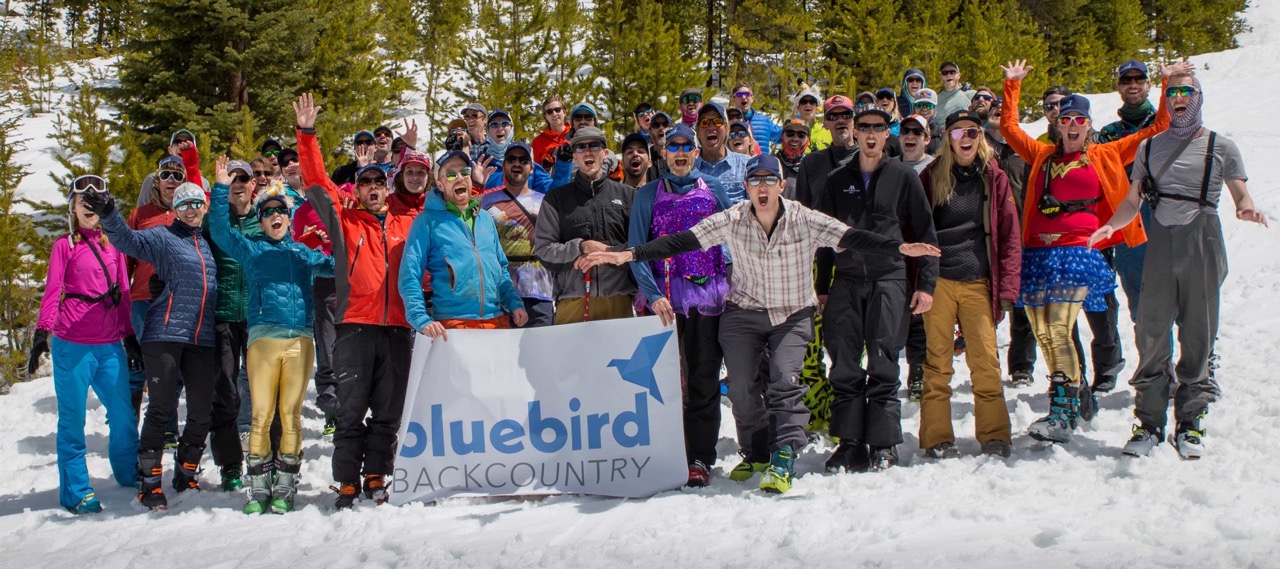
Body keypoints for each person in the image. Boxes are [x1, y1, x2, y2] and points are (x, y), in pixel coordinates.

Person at [585, 154, 939, 493]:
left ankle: (784, 453)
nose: (763, 187)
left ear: (782, 185)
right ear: (747, 186)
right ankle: (756, 452)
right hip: (745, 311)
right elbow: (682, 241)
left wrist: (900, 249)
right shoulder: (734, 218)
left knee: (784, 379)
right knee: (739, 386)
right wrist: (628, 254)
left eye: (770, 179)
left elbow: (851, 236)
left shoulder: (805, 219)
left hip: (791, 313)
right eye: (755, 180)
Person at [998, 58, 1182, 443]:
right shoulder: (1043, 156)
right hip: (1038, 253)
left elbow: (1159, 127)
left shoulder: (1107, 153)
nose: (1073, 127)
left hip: (1078, 251)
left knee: (1061, 329)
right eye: (1066, 120)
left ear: (1088, 124)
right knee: (1043, 332)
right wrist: (1012, 85)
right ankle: (1076, 395)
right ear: (1058, 124)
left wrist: (1167, 84)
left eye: (1080, 120)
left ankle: (1062, 413)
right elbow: (1009, 129)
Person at [1091, 71, 1267, 459]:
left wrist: (1246, 207)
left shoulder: (1221, 146)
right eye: (1173, 93)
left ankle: (1190, 421)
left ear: (1199, 97)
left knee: (1198, 333)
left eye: (1187, 92)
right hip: (1161, 242)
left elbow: (1240, 192)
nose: (1180, 98)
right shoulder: (1150, 147)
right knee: (1151, 332)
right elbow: (1133, 200)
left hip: (1202, 239)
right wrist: (1109, 225)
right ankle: (1148, 423)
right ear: (1166, 99)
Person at [294, 94, 419, 508]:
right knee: (351, 412)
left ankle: (375, 475)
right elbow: (315, 184)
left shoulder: (407, 223)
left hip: (398, 330)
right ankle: (347, 481)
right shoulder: (344, 221)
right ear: (358, 189)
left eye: (379, 183)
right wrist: (307, 134)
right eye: (365, 183)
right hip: (355, 328)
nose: (372, 189)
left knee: (388, 412)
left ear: (387, 188)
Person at [814, 104, 938, 473]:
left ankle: (883, 443)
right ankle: (850, 443)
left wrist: (926, 285)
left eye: (878, 127)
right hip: (847, 282)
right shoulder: (836, 181)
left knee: (884, 361)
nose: (870, 133)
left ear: (888, 134)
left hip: (889, 280)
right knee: (845, 364)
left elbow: (925, 235)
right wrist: (822, 288)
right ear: (854, 132)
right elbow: (822, 237)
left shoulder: (903, 177)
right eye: (863, 126)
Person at [208, 158, 334, 514]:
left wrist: (332, 244)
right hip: (262, 338)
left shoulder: (303, 253)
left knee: (290, 414)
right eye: (268, 212)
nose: (275, 216)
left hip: (300, 340)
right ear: (261, 220)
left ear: (289, 218)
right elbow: (219, 231)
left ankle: (285, 485)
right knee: (261, 414)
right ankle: (258, 487)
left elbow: (343, 268)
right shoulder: (251, 248)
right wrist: (220, 189)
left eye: (281, 211)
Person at [88, 181, 217, 511]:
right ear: (174, 210)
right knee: (161, 408)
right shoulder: (162, 237)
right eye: (184, 205)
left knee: (202, 411)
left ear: (204, 207)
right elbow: (127, 241)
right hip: (164, 333)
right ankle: (149, 482)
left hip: (200, 338)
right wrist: (109, 214)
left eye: (196, 204)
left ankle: (186, 473)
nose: (191, 210)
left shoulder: (205, 242)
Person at [625, 124, 732, 487]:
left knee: (703, 375)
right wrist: (652, 294)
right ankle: (666, 453)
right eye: (674, 146)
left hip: (706, 297)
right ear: (664, 153)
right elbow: (636, 250)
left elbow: (730, 240)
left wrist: (734, 282)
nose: (681, 152)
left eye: (688, 146)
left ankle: (700, 455)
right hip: (663, 301)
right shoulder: (648, 195)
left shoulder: (713, 189)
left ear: (697, 152)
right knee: (663, 381)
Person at [30, 175, 140, 513]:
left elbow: (122, 293)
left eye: (95, 203)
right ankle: (76, 491)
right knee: (72, 419)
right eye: (82, 203)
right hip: (72, 345)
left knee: (122, 414)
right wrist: (41, 333)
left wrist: (130, 337)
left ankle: (126, 471)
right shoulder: (65, 246)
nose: (89, 209)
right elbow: (52, 291)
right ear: (73, 208)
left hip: (109, 346)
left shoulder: (114, 246)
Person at [918, 111, 1022, 459]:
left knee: (985, 362)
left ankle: (994, 435)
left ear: (981, 136)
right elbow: (915, 230)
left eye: (973, 132)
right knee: (937, 363)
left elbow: (1009, 236)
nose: (966, 138)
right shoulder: (932, 176)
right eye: (959, 132)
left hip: (978, 279)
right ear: (948, 137)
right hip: (939, 281)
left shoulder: (994, 177)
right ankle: (937, 438)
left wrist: (1007, 290)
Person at [399, 150, 528, 341]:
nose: (459, 178)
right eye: (451, 174)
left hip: (497, 323)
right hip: (454, 326)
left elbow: (500, 268)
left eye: (464, 172)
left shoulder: (485, 218)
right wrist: (420, 318)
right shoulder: (426, 221)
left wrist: (514, 303)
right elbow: (410, 274)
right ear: (440, 185)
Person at [534, 127, 637, 324]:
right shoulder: (556, 198)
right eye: (580, 147)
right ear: (574, 156)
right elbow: (544, 249)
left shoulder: (627, 195)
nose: (588, 151)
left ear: (605, 153)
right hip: (573, 301)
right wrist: (580, 247)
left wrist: (608, 253)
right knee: (568, 356)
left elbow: (641, 245)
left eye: (594, 145)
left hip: (618, 299)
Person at [203, 159, 259, 491]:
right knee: (223, 389)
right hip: (222, 315)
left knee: (262, 388)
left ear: (254, 184)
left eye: (244, 178)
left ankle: (264, 454)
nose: (238, 183)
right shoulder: (214, 223)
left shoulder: (265, 219)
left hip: (257, 317)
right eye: (231, 178)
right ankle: (229, 464)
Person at [1099, 60, 1159, 333]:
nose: (1132, 85)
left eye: (1138, 79)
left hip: (1166, 214)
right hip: (1129, 219)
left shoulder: (1167, 123)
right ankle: (1156, 366)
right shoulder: (1109, 134)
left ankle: (1200, 360)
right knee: (1138, 294)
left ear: (1148, 84)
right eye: (1126, 80)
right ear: (1119, 87)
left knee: (1182, 289)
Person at [482, 142, 556, 327]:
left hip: (541, 292)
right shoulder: (486, 200)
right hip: (501, 293)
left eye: (523, 160)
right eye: (511, 159)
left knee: (541, 353)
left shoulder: (546, 202)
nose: (517, 164)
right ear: (504, 165)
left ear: (532, 168)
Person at [695, 102, 751, 204]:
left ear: (727, 129)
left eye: (717, 121)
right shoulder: (688, 168)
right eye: (704, 123)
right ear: (697, 131)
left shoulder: (746, 165)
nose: (711, 127)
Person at [728, 82, 780, 153]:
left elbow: (783, 136)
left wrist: (794, 124)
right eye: (739, 94)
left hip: (762, 163)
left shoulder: (764, 121)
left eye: (747, 94)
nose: (743, 97)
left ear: (752, 98)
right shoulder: (727, 121)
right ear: (733, 99)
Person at [933, 62, 975, 131]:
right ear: (941, 77)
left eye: (952, 72)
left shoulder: (971, 94)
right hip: (943, 136)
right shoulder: (935, 99)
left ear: (959, 75)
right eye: (945, 73)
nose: (948, 75)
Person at [775, 118, 810, 200]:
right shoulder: (771, 163)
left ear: (808, 139)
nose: (795, 138)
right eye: (790, 133)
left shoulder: (813, 164)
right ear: (782, 136)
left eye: (801, 135)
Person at [533, 96, 571, 169]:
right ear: (546, 116)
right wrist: (546, 168)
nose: (554, 114)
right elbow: (535, 172)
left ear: (564, 112)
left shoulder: (575, 134)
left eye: (557, 110)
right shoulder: (537, 142)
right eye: (549, 112)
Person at [793, 85, 831, 151]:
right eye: (804, 102)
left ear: (817, 107)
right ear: (798, 107)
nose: (808, 104)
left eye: (812, 102)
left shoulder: (828, 132)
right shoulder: (791, 134)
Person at [647, 112, 673, 179]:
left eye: (665, 124)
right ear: (650, 131)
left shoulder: (680, 156)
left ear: (673, 129)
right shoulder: (645, 158)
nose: (661, 128)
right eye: (656, 125)